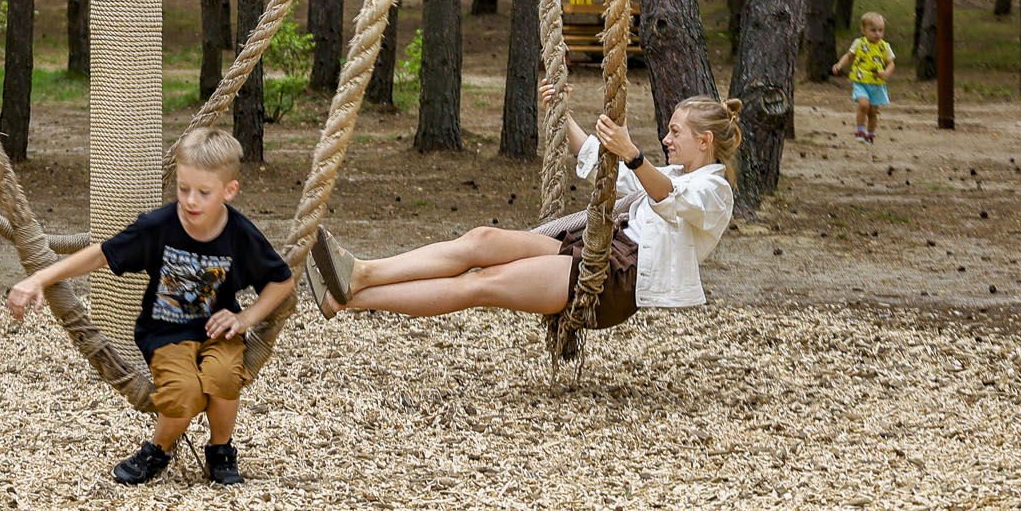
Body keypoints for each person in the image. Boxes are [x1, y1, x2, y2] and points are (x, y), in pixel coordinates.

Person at [306, 88, 740, 332]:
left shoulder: (715, 191)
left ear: (705, 141)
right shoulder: (673, 172)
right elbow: (603, 166)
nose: (667, 139)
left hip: (612, 281)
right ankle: (360, 272)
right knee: (481, 240)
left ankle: (353, 298)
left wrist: (633, 154)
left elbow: (668, 199)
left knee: (479, 284)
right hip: (596, 249)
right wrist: (563, 114)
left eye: (675, 132)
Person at [5, 128, 294, 487]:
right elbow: (101, 254)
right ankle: (158, 450)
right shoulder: (159, 227)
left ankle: (221, 450)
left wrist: (245, 317)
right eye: (183, 189)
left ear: (229, 191)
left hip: (219, 333)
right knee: (185, 393)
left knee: (222, 377)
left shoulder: (240, 234)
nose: (190, 200)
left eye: (203, 193)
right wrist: (40, 278)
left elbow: (281, 280)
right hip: (166, 334)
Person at [831, 11, 895, 144]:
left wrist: (886, 72)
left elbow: (891, 63)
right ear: (864, 30)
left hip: (877, 84)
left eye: (880, 30)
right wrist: (839, 64)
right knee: (864, 105)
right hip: (860, 81)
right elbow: (849, 56)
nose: (877, 34)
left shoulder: (885, 46)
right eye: (873, 30)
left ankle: (870, 135)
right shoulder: (859, 43)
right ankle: (860, 131)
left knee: (873, 111)